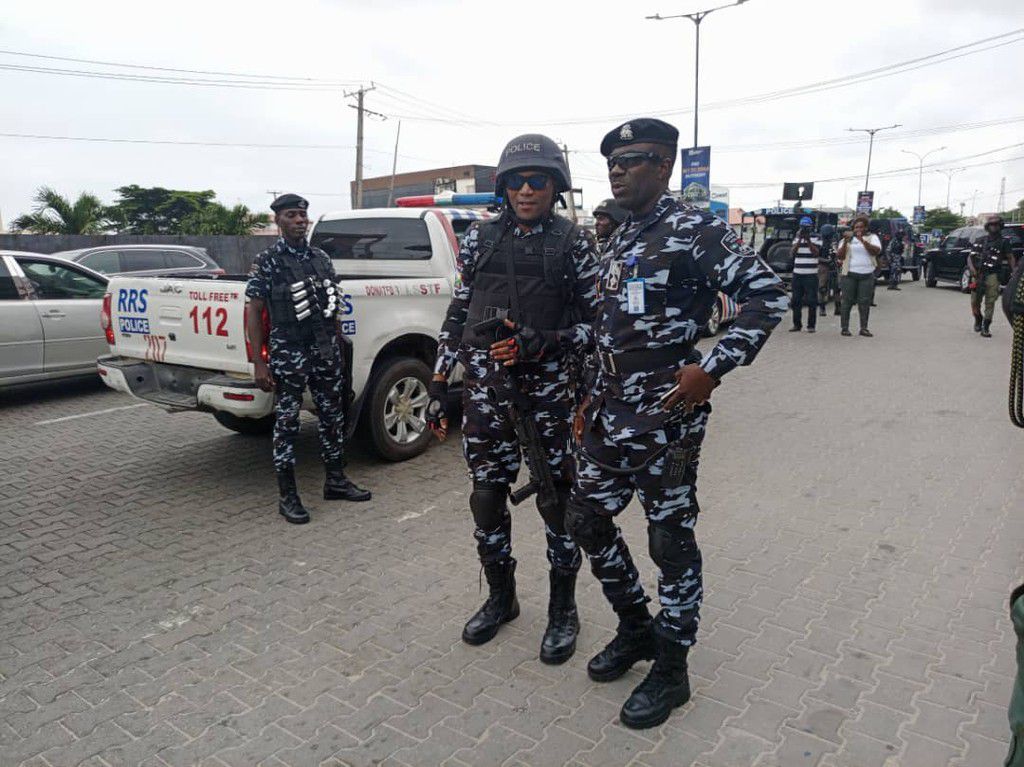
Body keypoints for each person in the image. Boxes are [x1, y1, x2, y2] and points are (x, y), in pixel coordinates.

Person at [566, 118, 788, 729]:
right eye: (611, 160)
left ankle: (673, 667)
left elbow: (768, 294)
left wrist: (712, 368)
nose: (617, 169)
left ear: (662, 166)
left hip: (668, 413)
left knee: (669, 539)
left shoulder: (695, 229)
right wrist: (588, 395)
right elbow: (608, 328)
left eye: (631, 159)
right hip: (609, 409)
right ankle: (636, 626)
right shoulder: (617, 236)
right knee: (585, 518)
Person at [426, 134, 600, 664]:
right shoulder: (480, 240)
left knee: (556, 503)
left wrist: (544, 341)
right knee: (486, 497)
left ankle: (563, 611)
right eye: (517, 181)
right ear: (503, 187)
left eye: (538, 181)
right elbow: (459, 310)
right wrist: (439, 382)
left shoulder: (575, 244)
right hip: (486, 393)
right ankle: (502, 599)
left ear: (555, 187)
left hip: (547, 396)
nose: (527, 190)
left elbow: (599, 326)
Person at [245, 194, 371, 524]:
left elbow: (333, 303)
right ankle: (288, 496)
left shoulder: (321, 257)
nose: (300, 220)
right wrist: (259, 361)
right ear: (278, 221)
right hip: (289, 350)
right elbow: (254, 310)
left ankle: (336, 481)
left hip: (325, 350)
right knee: (287, 422)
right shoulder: (268, 260)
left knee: (332, 415)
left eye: (303, 214)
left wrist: (339, 339)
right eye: (292, 215)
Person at [969, 215, 1016, 338]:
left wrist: (1014, 272)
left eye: (996, 224)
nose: (994, 226)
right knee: (974, 301)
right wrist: (972, 270)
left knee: (990, 301)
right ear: (987, 226)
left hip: (993, 274)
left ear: (1000, 226)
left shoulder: (1004, 242)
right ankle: (978, 319)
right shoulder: (980, 240)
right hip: (978, 274)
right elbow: (970, 257)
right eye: (991, 224)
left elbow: (1010, 257)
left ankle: (986, 326)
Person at [836, 215, 882, 337]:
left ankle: (864, 328)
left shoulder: (872, 238)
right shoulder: (847, 240)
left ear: (866, 228)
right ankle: (845, 328)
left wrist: (862, 240)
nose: (858, 229)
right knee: (847, 301)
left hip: (866, 275)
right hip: (849, 274)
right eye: (856, 227)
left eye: (861, 227)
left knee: (864, 302)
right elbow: (840, 256)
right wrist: (846, 241)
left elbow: (876, 251)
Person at [789, 216, 820, 333]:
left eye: (806, 227)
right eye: (803, 227)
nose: (804, 229)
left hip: (811, 274)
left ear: (811, 227)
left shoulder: (817, 237)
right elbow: (792, 253)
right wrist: (799, 241)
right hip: (797, 274)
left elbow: (816, 253)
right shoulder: (797, 237)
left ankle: (811, 326)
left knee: (812, 301)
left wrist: (808, 240)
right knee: (796, 300)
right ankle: (797, 324)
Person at [817, 223, 840, 317]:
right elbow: (816, 256)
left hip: (834, 266)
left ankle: (838, 308)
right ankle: (822, 308)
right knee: (822, 288)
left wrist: (834, 260)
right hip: (823, 266)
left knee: (837, 288)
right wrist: (827, 261)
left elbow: (838, 254)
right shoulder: (819, 243)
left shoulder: (834, 243)